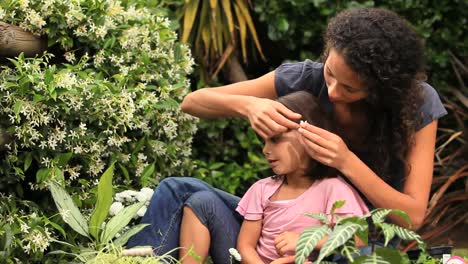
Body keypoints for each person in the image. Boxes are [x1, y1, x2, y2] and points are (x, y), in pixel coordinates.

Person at [127, 6, 447, 263]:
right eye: (330, 73)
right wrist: (248, 105)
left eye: (349, 87)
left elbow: (412, 217)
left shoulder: (416, 103)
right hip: (278, 236)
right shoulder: (304, 77)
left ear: (381, 89)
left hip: (354, 246)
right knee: (178, 190)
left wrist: (346, 160)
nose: (332, 91)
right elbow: (192, 102)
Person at [236, 91, 369, 264]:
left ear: (309, 135)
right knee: (200, 201)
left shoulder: (332, 188)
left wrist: (308, 240)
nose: (265, 150)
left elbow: (359, 240)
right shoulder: (261, 189)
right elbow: (245, 246)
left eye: (275, 140)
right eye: (264, 142)